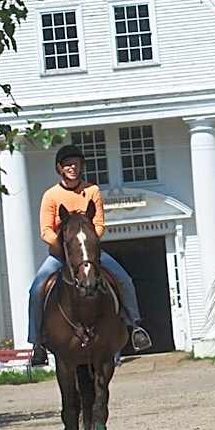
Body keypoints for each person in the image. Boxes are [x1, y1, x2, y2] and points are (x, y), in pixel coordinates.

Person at [28, 144, 152, 366]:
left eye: (75, 164)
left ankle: (135, 326)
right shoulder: (51, 195)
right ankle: (37, 342)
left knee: (123, 279)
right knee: (37, 288)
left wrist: (89, 242)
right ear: (60, 168)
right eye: (67, 165)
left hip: (89, 252)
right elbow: (45, 229)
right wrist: (63, 245)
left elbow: (99, 223)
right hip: (61, 253)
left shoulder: (92, 191)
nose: (72, 168)